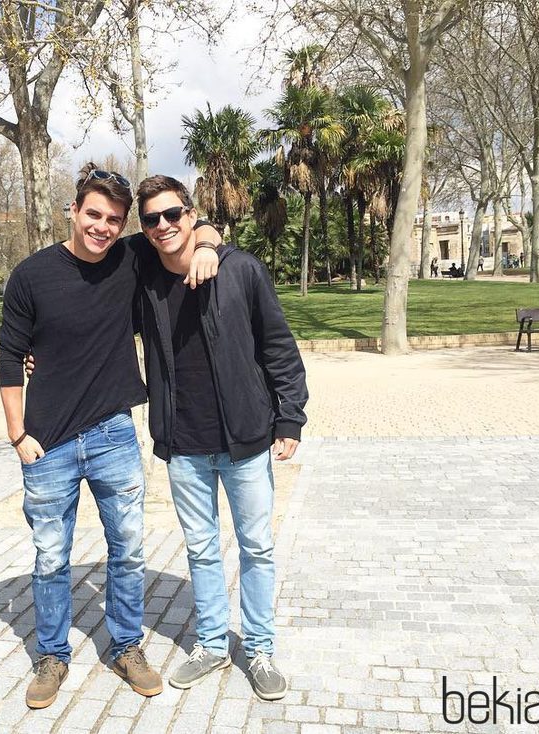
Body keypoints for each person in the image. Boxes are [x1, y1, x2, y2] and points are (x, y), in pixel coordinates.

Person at [0, 164, 222, 710]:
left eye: (113, 220)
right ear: (73, 211)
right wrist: (17, 435)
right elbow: (9, 357)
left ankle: (126, 646)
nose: (102, 227)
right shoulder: (31, 275)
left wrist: (211, 244)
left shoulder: (131, 256)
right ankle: (51, 655)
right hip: (46, 442)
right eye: (93, 214)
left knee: (127, 550)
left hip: (113, 434)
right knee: (51, 557)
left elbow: (189, 230)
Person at [134, 176, 308, 701]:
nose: (163, 226)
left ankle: (258, 648)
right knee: (202, 549)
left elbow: (277, 345)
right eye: (151, 219)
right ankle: (211, 643)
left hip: (246, 439)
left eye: (173, 215)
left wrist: (290, 415)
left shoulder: (242, 270)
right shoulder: (140, 274)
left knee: (256, 546)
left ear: (190, 213)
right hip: (183, 442)